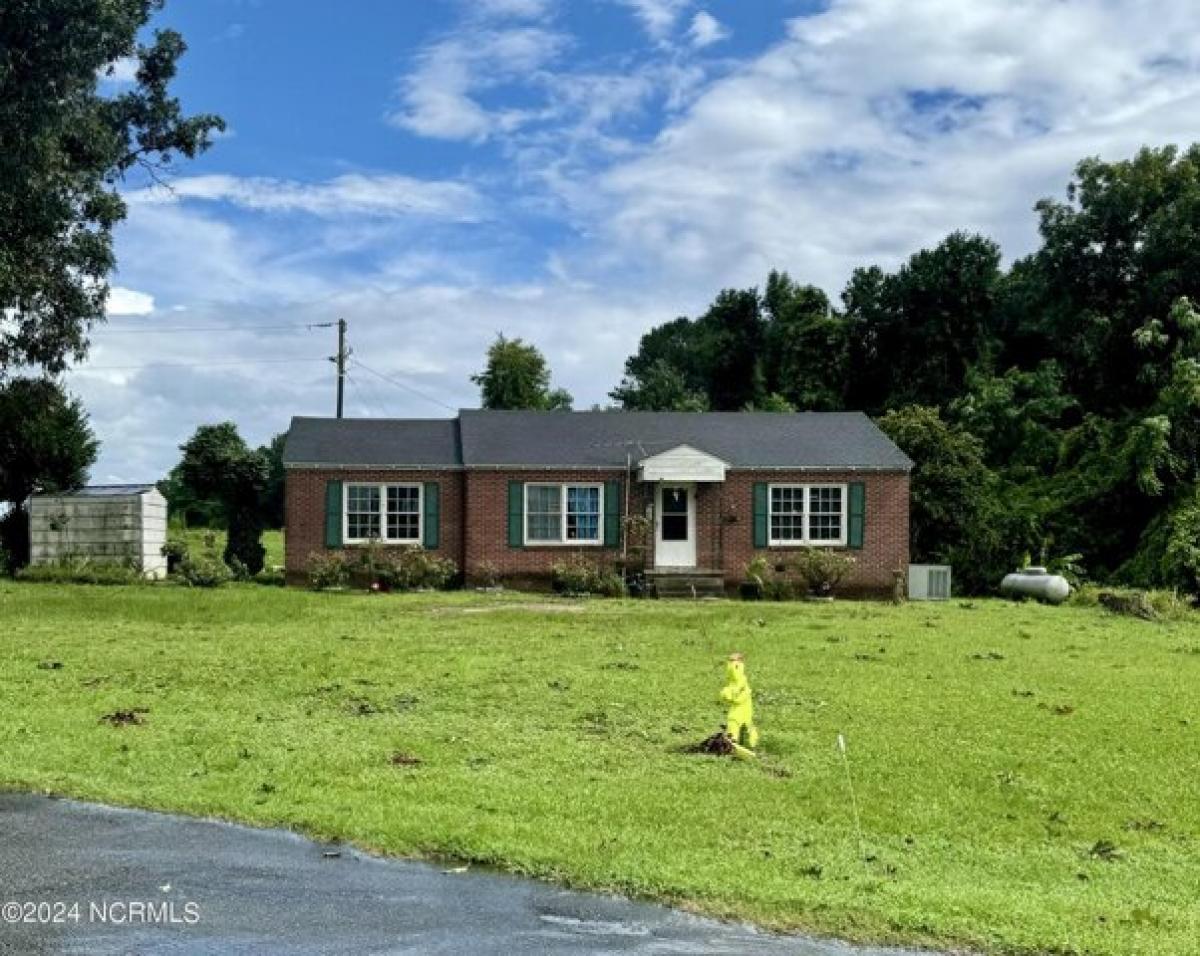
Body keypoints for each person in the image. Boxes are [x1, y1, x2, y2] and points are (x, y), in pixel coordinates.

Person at [720, 652, 759, 750]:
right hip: (737, 708)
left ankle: (751, 745)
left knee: (746, 724)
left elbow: (742, 694)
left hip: (744, 708)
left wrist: (733, 695)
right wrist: (726, 694)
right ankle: (733, 741)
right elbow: (729, 692)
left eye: (734, 661)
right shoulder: (732, 680)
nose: (732, 665)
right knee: (733, 721)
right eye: (730, 661)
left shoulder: (742, 679)